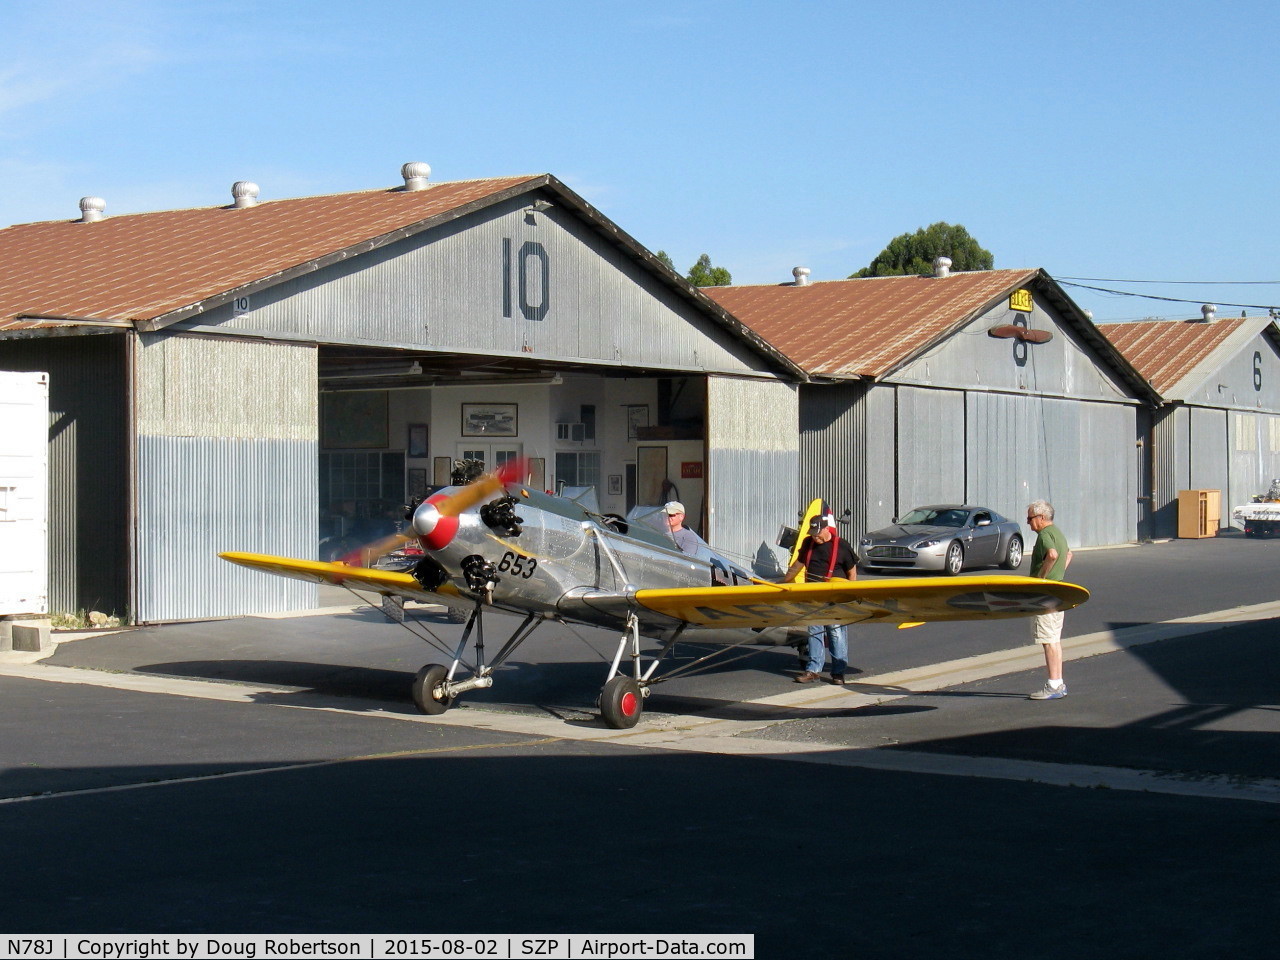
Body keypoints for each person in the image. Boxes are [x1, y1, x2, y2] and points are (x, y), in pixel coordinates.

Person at [785, 511, 858, 684]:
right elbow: (797, 565)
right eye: (812, 533)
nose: (815, 537)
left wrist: (851, 595)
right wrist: (782, 582)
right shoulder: (807, 543)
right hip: (814, 595)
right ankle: (813, 670)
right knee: (814, 631)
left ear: (825, 529)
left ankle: (838, 672)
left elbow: (852, 572)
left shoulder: (842, 546)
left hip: (835, 596)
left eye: (817, 533)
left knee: (836, 633)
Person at [1026, 499, 1074, 700]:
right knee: (1054, 639)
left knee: (1048, 640)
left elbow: (1052, 555)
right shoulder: (1058, 533)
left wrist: (1042, 578)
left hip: (1045, 596)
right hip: (1057, 593)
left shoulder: (1045, 534)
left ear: (1041, 518)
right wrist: (1057, 575)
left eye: (1030, 518)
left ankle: (1054, 684)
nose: (1028, 523)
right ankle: (1058, 682)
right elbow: (1069, 554)